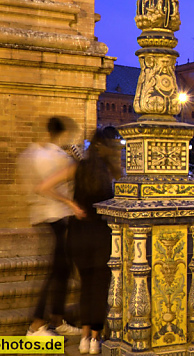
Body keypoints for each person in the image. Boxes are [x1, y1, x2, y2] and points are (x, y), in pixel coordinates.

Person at [19, 117, 84, 338]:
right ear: (65, 133)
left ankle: (57, 319)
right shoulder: (60, 158)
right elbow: (45, 187)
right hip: (58, 217)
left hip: (43, 215)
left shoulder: (31, 153)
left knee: (62, 270)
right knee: (57, 272)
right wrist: (71, 203)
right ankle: (36, 326)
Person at [69, 126, 122, 355]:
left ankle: (83, 337)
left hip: (78, 233)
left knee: (85, 288)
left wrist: (71, 204)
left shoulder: (79, 167)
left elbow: (45, 186)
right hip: (101, 235)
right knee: (100, 289)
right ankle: (94, 339)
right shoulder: (111, 171)